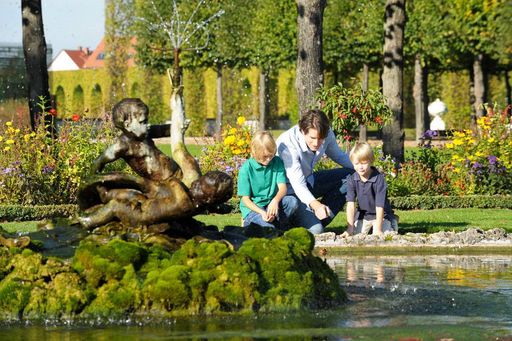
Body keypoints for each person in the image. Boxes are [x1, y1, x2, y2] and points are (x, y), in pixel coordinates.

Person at [77, 98, 233, 229]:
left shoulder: (145, 133)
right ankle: (206, 207)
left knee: (198, 190)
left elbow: (164, 130)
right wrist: (92, 183)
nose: (148, 125)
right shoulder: (122, 146)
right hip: (163, 185)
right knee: (180, 204)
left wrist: (177, 127)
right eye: (143, 122)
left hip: (175, 174)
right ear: (127, 124)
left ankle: (212, 203)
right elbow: (99, 161)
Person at [276, 109, 354, 234]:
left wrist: (368, 171)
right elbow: (298, 184)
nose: (317, 143)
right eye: (312, 138)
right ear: (302, 131)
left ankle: (317, 218)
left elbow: (339, 156)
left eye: (321, 138)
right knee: (316, 231)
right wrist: (316, 205)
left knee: (352, 176)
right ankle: (299, 224)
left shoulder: (327, 133)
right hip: (289, 192)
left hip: (308, 181)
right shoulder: (287, 144)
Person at [237, 131, 298, 230]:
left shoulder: (277, 162)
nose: (269, 159)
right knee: (268, 229)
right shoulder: (246, 169)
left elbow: (283, 188)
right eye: (265, 156)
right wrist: (262, 212)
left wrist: (275, 201)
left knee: (292, 201)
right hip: (254, 209)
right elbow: (246, 200)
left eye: (271, 155)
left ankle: (276, 225)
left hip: (271, 204)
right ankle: (248, 222)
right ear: (254, 152)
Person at [342, 142, 398, 237]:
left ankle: (392, 221)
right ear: (352, 162)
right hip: (364, 215)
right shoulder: (352, 179)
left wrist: (378, 229)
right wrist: (350, 228)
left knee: (385, 235)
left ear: (371, 161)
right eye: (356, 163)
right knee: (356, 235)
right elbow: (351, 204)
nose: (360, 167)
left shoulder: (379, 179)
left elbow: (380, 206)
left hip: (382, 215)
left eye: (364, 163)